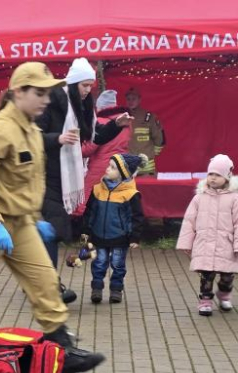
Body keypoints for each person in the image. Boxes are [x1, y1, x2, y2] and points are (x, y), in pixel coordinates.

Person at [0, 62, 105, 373]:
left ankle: (62, 352)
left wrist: (33, 217)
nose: (45, 99)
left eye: (48, 92)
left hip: (21, 223)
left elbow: (27, 181)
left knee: (46, 285)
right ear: (19, 92)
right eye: (39, 92)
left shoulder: (31, 127)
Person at [37, 58, 132, 303]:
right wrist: (57, 138)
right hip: (43, 176)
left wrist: (115, 125)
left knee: (50, 232)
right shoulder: (53, 103)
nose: (88, 90)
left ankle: (42, 282)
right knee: (52, 231)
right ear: (73, 83)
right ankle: (48, 286)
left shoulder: (83, 108)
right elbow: (32, 136)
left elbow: (94, 136)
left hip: (65, 178)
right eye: (84, 85)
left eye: (90, 86)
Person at [176, 154, 238, 316]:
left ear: (227, 177)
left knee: (227, 275)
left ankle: (224, 295)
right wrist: (186, 243)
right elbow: (189, 221)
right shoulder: (199, 197)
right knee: (206, 275)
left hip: (226, 245)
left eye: (218, 175)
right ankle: (205, 300)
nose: (213, 178)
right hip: (204, 243)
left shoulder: (234, 198)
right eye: (210, 174)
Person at [83, 153, 146, 304]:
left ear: (123, 174)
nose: (107, 169)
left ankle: (116, 289)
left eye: (113, 168)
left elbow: (136, 217)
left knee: (118, 264)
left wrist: (134, 237)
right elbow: (90, 211)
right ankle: (97, 288)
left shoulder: (131, 194)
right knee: (99, 262)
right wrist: (86, 230)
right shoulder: (98, 189)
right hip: (99, 236)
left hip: (120, 237)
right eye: (108, 166)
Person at [80, 90, 131, 208]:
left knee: (89, 205)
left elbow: (87, 150)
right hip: (120, 168)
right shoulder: (126, 124)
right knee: (114, 203)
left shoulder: (99, 122)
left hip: (100, 171)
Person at [125, 87, 165, 176]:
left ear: (139, 99)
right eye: (128, 99)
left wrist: (150, 153)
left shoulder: (149, 117)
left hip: (146, 169)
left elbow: (159, 139)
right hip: (128, 169)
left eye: (133, 99)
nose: (130, 101)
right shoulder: (122, 118)